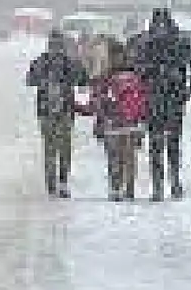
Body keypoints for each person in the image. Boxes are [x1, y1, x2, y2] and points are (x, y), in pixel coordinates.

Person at [133, 8, 191, 200]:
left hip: (164, 96)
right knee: (166, 142)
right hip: (165, 96)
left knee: (162, 142)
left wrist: (190, 88)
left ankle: (167, 184)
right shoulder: (175, 41)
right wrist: (190, 88)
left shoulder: (148, 42)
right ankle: (167, 184)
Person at [25, 29, 90, 198]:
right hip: (66, 110)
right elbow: (83, 79)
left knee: (49, 148)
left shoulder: (40, 61)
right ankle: (63, 181)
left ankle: (51, 183)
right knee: (65, 147)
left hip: (45, 110)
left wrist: (44, 81)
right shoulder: (71, 63)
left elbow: (30, 80)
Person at [89, 38, 149, 201]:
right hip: (132, 122)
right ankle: (129, 189)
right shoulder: (136, 74)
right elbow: (144, 98)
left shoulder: (105, 76)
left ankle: (115, 188)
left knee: (114, 156)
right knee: (129, 156)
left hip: (113, 122)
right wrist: (143, 119)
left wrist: (98, 121)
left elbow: (98, 101)